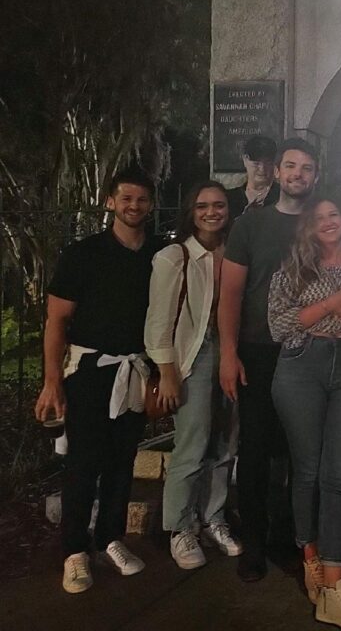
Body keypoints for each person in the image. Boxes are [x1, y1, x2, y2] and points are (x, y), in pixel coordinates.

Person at [34, 169, 163, 593]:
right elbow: (56, 321)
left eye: (142, 199)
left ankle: (111, 538)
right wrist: (52, 382)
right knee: (83, 464)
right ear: (110, 202)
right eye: (126, 198)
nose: (134, 206)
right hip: (91, 374)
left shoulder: (160, 257)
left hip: (136, 372)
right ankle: (74, 550)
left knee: (122, 462)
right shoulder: (82, 255)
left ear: (150, 204)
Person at [267, 197, 341, 630]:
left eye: (333, 214)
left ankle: (336, 587)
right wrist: (333, 304)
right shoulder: (294, 268)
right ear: (307, 227)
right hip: (301, 365)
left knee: (339, 473)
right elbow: (278, 326)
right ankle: (311, 556)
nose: (327, 222)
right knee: (308, 471)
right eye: (318, 218)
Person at [219, 137, 319, 581]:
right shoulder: (250, 226)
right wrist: (228, 352)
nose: (298, 174)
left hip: (308, 353)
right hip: (258, 354)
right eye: (290, 166)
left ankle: (294, 537)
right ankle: (255, 541)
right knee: (256, 451)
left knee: (301, 453)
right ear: (277, 172)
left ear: (315, 176)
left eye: (307, 168)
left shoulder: (322, 225)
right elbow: (231, 295)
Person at [144, 181, 242, 570]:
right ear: (191, 211)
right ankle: (180, 526)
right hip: (195, 356)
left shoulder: (234, 253)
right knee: (193, 442)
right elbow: (158, 321)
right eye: (203, 205)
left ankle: (213, 517)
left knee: (227, 442)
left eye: (218, 205)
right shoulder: (175, 256)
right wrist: (167, 371)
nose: (211, 212)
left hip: (231, 351)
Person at [226, 135, 280, 221]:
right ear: (245, 160)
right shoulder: (230, 198)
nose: (262, 169)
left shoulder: (282, 196)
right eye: (256, 163)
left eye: (268, 163)